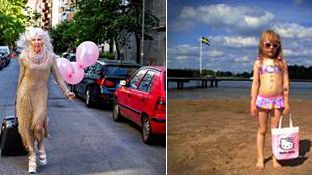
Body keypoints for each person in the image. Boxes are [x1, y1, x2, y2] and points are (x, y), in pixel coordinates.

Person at [16, 27, 75, 174]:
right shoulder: (23, 57)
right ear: (30, 41)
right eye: (34, 39)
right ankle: (32, 155)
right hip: (25, 94)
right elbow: (21, 78)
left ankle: (40, 144)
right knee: (26, 128)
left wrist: (67, 91)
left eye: (39, 39)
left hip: (40, 95)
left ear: (44, 41)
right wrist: (17, 98)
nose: (37, 41)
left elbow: (58, 76)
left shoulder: (50, 57)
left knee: (37, 126)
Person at [250, 29, 290, 169]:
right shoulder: (258, 63)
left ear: (279, 46)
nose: (271, 48)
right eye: (268, 44)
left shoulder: (281, 63)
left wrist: (286, 102)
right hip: (262, 100)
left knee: (275, 131)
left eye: (275, 45)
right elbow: (255, 84)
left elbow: (285, 83)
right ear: (262, 45)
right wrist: (252, 103)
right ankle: (261, 158)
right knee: (262, 129)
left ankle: (275, 157)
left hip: (278, 101)